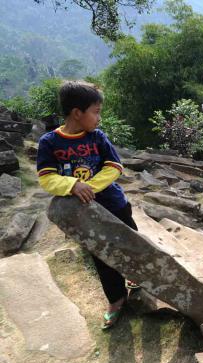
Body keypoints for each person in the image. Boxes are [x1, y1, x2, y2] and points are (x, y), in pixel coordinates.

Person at [36, 81, 137, 330]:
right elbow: (46, 178)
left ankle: (137, 276)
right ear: (77, 113)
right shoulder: (50, 142)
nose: (99, 118)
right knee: (101, 254)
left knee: (131, 241)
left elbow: (114, 167)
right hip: (85, 214)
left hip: (114, 203)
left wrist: (88, 186)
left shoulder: (97, 137)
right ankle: (116, 300)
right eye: (96, 111)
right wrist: (72, 185)